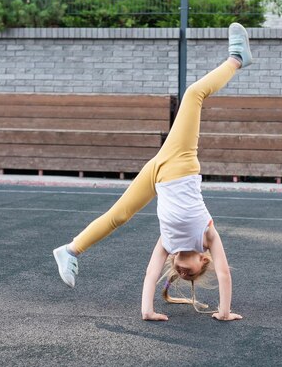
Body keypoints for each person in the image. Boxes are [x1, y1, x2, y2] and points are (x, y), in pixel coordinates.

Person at [52, 23, 253, 322]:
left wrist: (147, 311)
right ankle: (237, 58)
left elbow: (150, 273)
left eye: (181, 275)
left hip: (158, 174)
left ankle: (70, 250)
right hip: (180, 162)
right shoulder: (208, 236)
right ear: (203, 258)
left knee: (118, 216)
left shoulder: (168, 243)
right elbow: (223, 272)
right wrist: (224, 312)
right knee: (194, 94)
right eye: (192, 273)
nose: (183, 273)